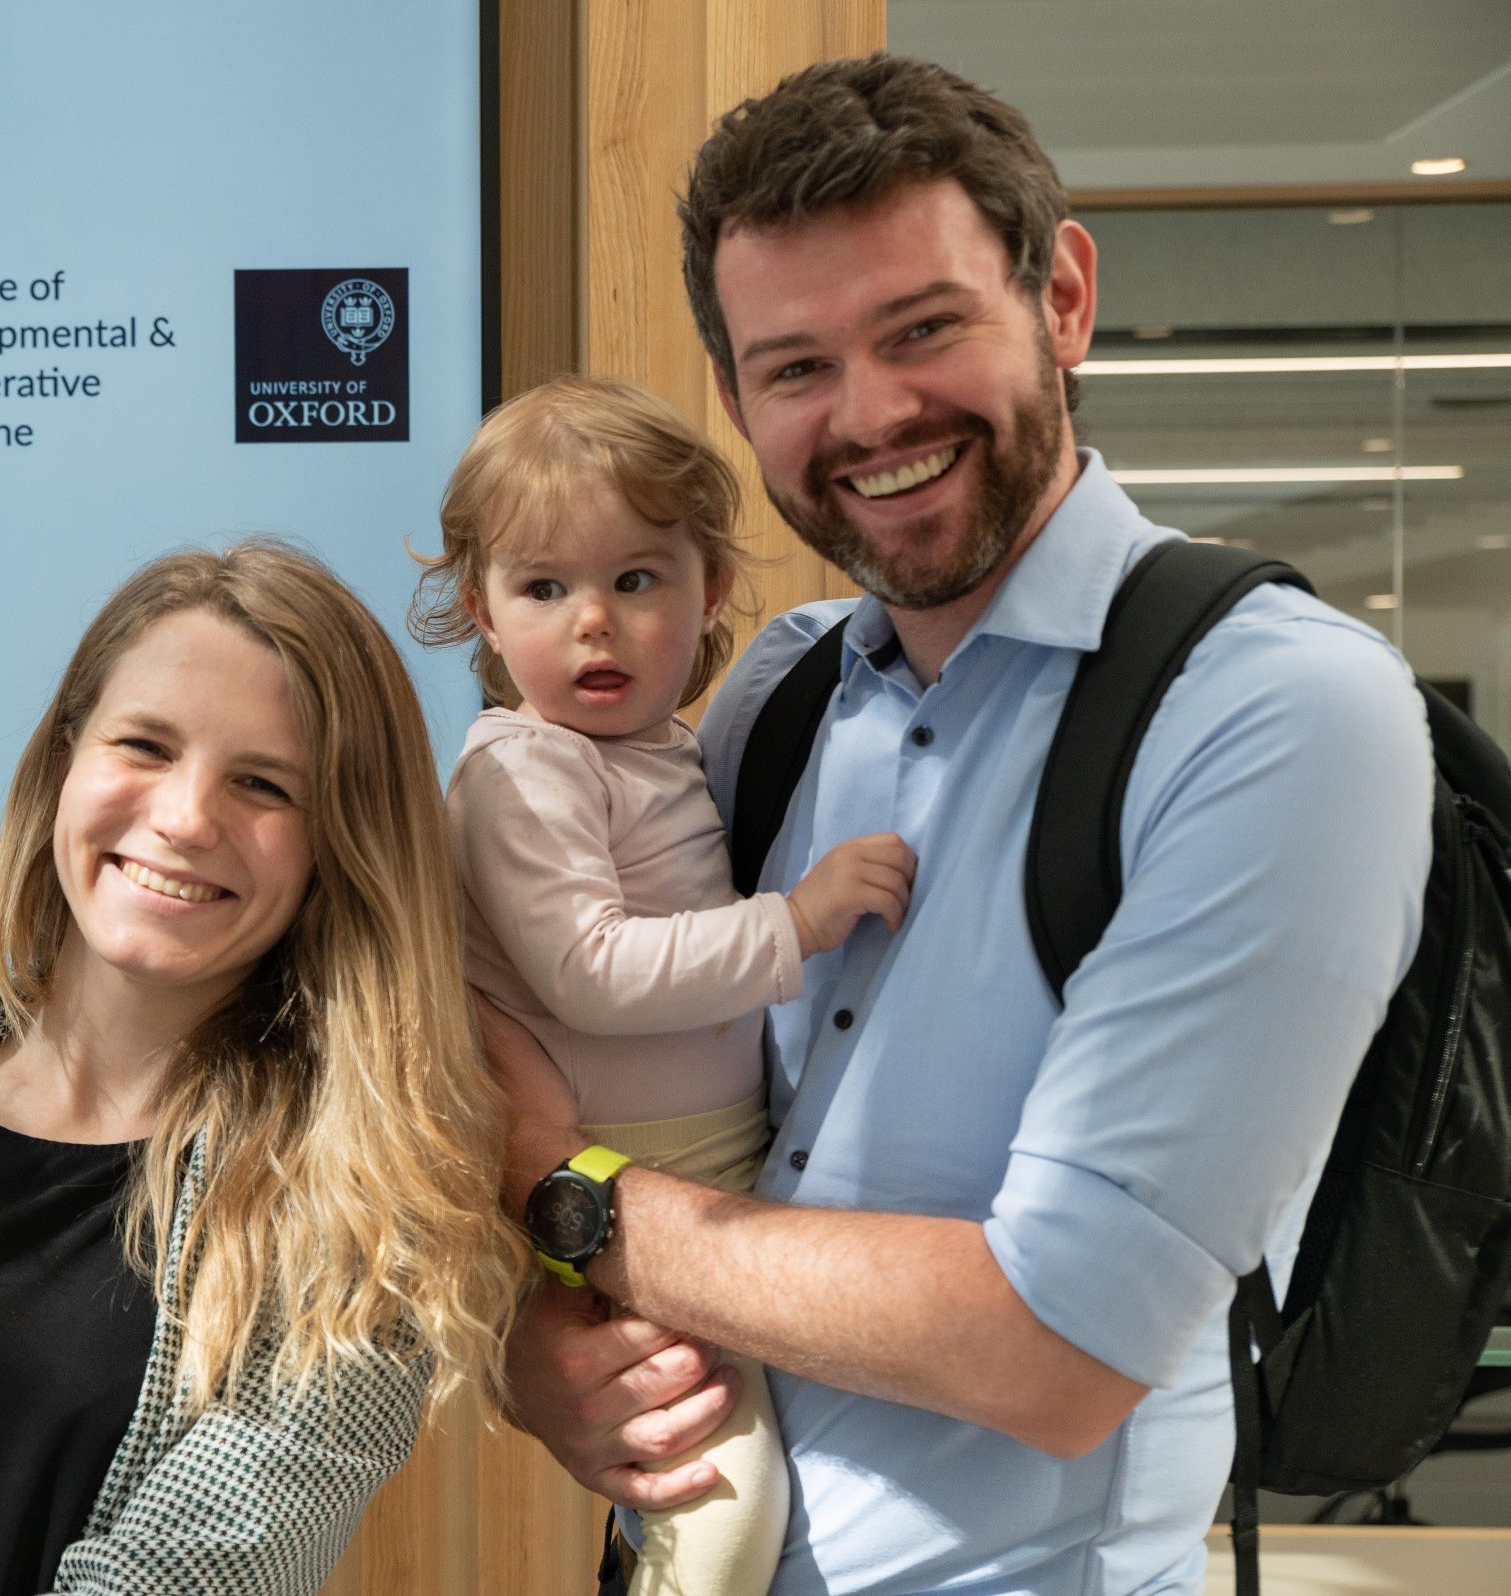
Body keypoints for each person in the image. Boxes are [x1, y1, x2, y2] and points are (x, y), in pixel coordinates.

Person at [488, 54, 1433, 1594]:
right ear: (734, 399)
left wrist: (573, 1200)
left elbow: (1055, 1343)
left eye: (921, 329)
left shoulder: (1274, 714)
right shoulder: (774, 699)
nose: (869, 416)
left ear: (1061, 295)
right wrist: (542, 1348)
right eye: (795, 368)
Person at [0, 539, 526, 1595]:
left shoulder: (354, 1228)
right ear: (66, 752)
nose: (185, 817)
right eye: (146, 745)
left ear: (338, 844)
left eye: (263, 784)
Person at [411, 374, 913, 1596]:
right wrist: (792, 924)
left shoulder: (665, 750)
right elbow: (589, 971)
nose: (596, 623)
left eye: (637, 581)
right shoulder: (522, 768)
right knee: (721, 1504)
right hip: (630, 1178)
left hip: (702, 1169)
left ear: (711, 589)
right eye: (546, 588)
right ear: (480, 608)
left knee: (722, 1487)